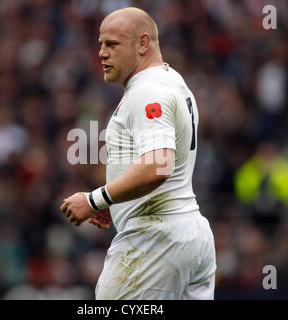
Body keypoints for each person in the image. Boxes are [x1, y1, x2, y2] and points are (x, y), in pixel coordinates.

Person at [61, 7, 216, 300]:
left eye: (112, 44)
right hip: (188, 234)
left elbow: (158, 166)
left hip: (155, 240)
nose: (101, 54)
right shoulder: (171, 82)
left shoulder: (148, 92)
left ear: (143, 43)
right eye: (100, 44)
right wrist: (118, 199)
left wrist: (95, 200)